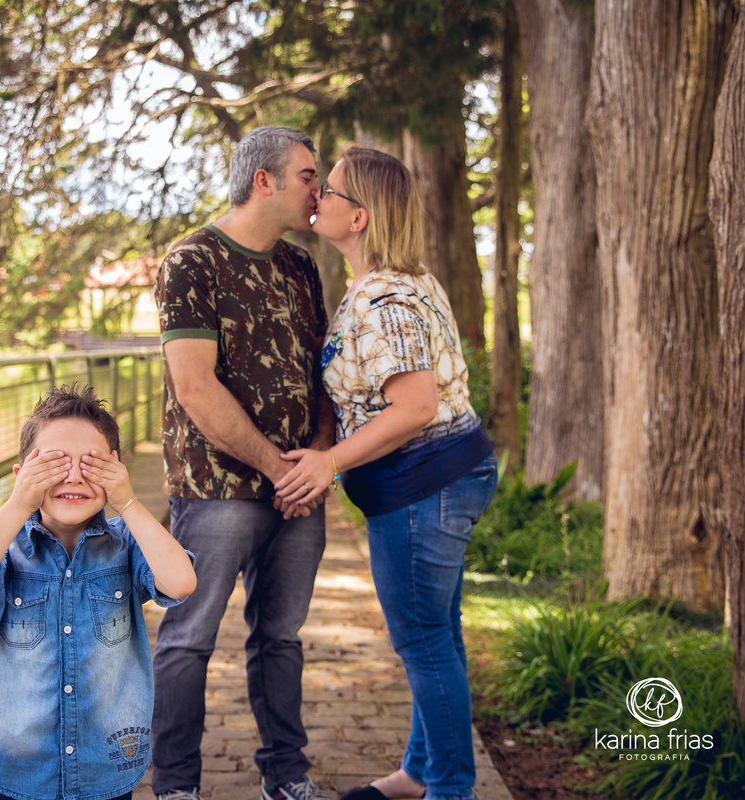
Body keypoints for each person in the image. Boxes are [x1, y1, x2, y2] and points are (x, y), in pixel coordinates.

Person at [275, 147, 498, 800]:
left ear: (361, 217)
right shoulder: (395, 280)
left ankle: (451, 789)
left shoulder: (385, 301)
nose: (318, 197)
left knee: (424, 642)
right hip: (439, 477)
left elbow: (417, 405)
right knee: (438, 635)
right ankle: (420, 771)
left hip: (424, 486)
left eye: (332, 191)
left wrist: (327, 462)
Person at [152, 126, 335, 800]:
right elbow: (196, 389)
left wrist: (316, 458)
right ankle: (175, 785)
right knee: (188, 638)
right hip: (217, 489)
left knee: (281, 637)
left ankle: (285, 773)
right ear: (267, 180)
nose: (321, 189)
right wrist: (279, 468)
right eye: (310, 175)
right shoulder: (191, 262)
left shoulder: (299, 266)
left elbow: (323, 374)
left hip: (299, 493)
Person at [0, 384, 197, 800]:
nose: (74, 476)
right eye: (55, 464)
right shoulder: (3, 549)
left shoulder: (126, 545)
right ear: (22, 474)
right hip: (18, 767)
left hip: (105, 766)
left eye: (92, 464)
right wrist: (17, 505)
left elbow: (181, 582)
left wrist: (128, 501)